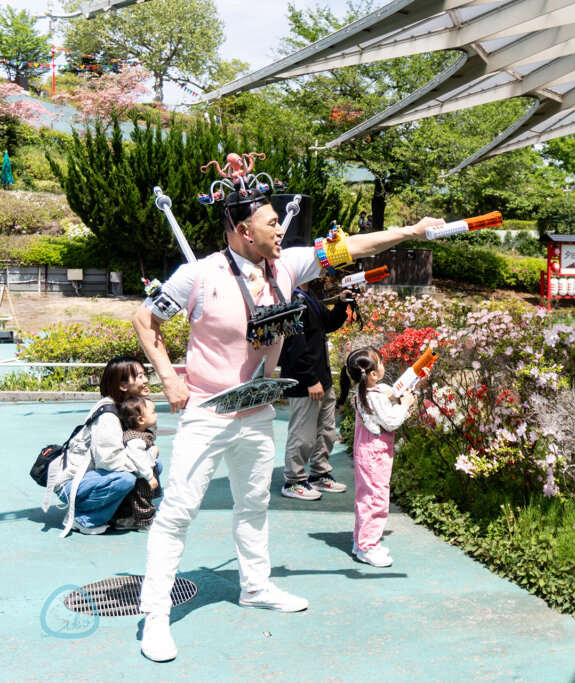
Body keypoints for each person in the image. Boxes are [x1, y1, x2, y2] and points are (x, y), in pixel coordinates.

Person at [131, 183, 442, 662]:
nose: (281, 228)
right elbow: (143, 320)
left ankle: (255, 587)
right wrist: (169, 380)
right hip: (207, 413)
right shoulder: (197, 275)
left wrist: (412, 229)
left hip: (257, 411)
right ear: (242, 229)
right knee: (177, 514)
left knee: (254, 505)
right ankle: (154, 615)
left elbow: (353, 246)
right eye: (272, 222)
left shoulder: (287, 267)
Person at [42, 356, 157, 537]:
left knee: (152, 465)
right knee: (125, 478)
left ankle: (120, 516)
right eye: (140, 376)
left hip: (94, 477)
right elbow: (109, 461)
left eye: (144, 375)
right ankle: (83, 518)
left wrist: (149, 459)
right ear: (123, 386)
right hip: (71, 483)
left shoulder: (131, 409)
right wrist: (147, 465)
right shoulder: (108, 416)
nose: (146, 380)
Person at [340, 347, 427, 568]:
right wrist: (406, 406)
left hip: (368, 453)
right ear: (372, 374)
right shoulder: (373, 396)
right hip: (375, 456)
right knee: (376, 498)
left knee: (366, 497)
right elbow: (391, 421)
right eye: (380, 362)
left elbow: (391, 394)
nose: (383, 365)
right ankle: (368, 546)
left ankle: (361, 541)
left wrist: (413, 382)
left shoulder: (367, 392)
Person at [279, 281, 352, 500]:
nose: (321, 268)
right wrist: (310, 379)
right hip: (305, 380)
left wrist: (341, 304)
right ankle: (293, 480)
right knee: (302, 433)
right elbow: (293, 344)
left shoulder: (309, 293)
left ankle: (319, 474)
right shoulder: (290, 298)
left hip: (322, 376)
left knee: (326, 430)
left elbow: (326, 324)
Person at [109, 396, 162, 531]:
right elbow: (138, 458)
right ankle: (145, 522)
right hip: (140, 477)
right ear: (140, 420)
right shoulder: (135, 440)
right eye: (153, 412)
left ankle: (128, 520)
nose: (156, 414)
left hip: (141, 474)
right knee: (142, 499)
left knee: (139, 500)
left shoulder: (141, 433)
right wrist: (149, 476)